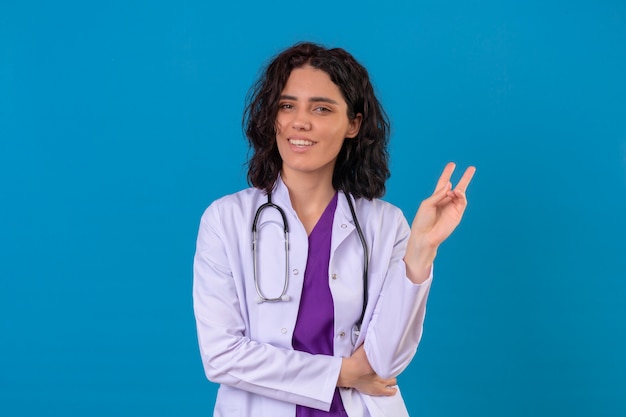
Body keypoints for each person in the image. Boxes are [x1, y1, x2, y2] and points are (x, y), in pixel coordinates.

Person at [193, 41, 476, 417]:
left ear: (353, 124)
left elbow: (386, 363)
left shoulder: (384, 224)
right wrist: (342, 372)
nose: (300, 122)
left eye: (322, 108)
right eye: (287, 105)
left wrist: (421, 252)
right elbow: (222, 356)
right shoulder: (226, 220)